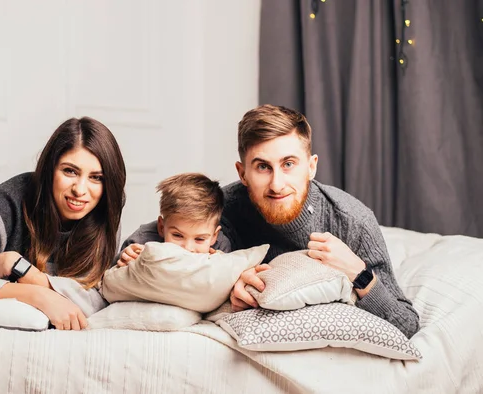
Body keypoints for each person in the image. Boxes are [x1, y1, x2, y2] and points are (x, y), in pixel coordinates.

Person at [119, 105, 420, 339]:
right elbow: (161, 227)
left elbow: (406, 323)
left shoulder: (351, 220)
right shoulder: (228, 204)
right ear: (242, 173)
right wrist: (134, 249)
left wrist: (358, 272)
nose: (277, 184)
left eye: (289, 164)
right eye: (263, 167)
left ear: (311, 167)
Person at [0, 116, 126, 331]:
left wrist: (22, 270)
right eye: (70, 171)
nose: (80, 190)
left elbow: (99, 298)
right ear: (49, 169)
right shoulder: (10, 198)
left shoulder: (105, 211)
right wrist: (37, 296)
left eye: (96, 177)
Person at [115, 172, 230, 266]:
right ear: (161, 227)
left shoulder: (220, 247)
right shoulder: (141, 241)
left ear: (214, 236)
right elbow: (111, 278)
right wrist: (124, 261)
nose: (187, 249)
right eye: (177, 235)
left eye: (199, 239)